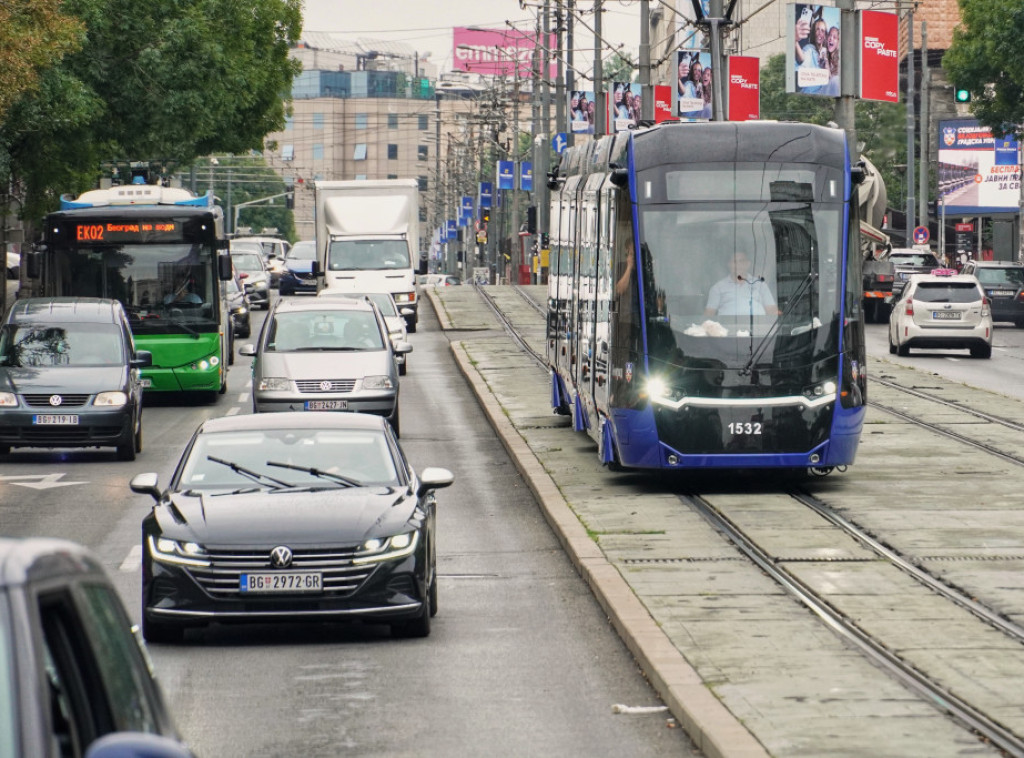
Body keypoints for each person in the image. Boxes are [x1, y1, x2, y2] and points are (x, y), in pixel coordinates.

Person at [704, 252, 781, 318]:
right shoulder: (718, 287)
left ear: (748, 264)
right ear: (729, 264)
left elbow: (772, 310)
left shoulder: (760, 284)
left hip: (758, 328)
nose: (738, 265)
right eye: (734, 262)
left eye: (741, 261)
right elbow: (709, 314)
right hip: (727, 329)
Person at [822, 26, 840, 97]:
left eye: (834, 37)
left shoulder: (839, 61)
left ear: (838, 42)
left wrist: (826, 63)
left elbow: (832, 82)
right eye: (830, 35)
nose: (831, 39)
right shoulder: (824, 56)